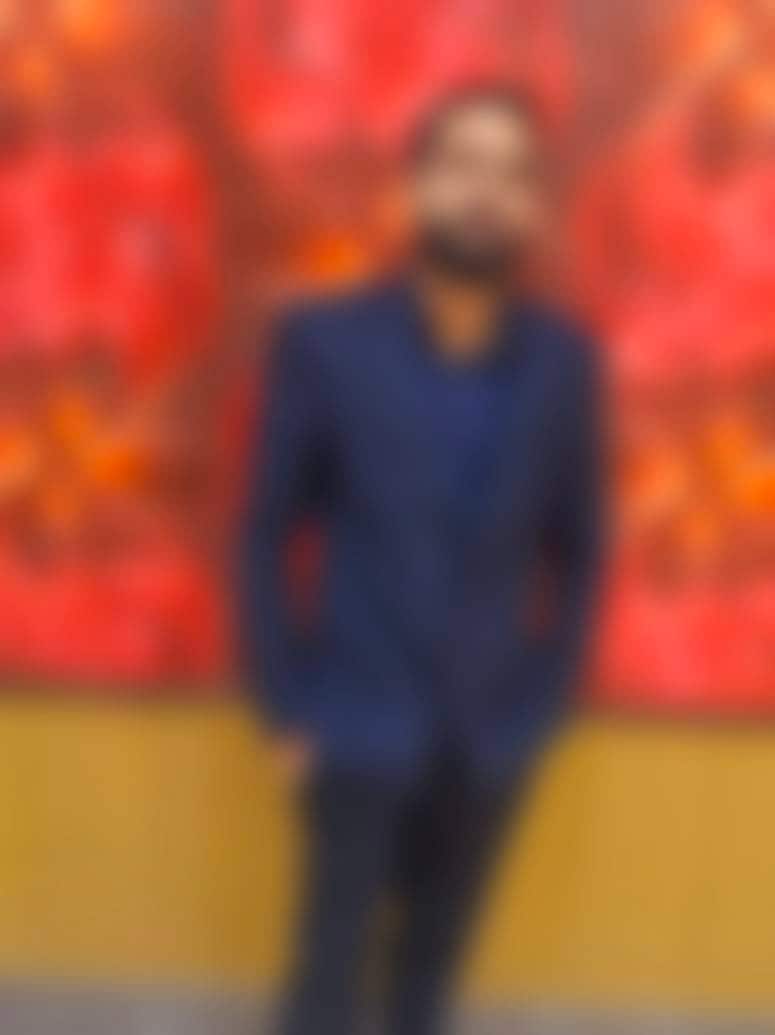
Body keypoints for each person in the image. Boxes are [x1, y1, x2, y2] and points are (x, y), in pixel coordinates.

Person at [237, 83, 604, 1035]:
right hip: (353, 722)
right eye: (463, 165)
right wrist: (286, 705)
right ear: (415, 186)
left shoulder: (564, 365)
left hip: (490, 732)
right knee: (325, 980)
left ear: (532, 205)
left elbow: (580, 548)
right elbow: (265, 529)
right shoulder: (325, 345)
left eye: (510, 173)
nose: (485, 191)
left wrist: (541, 702)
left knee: (428, 981)